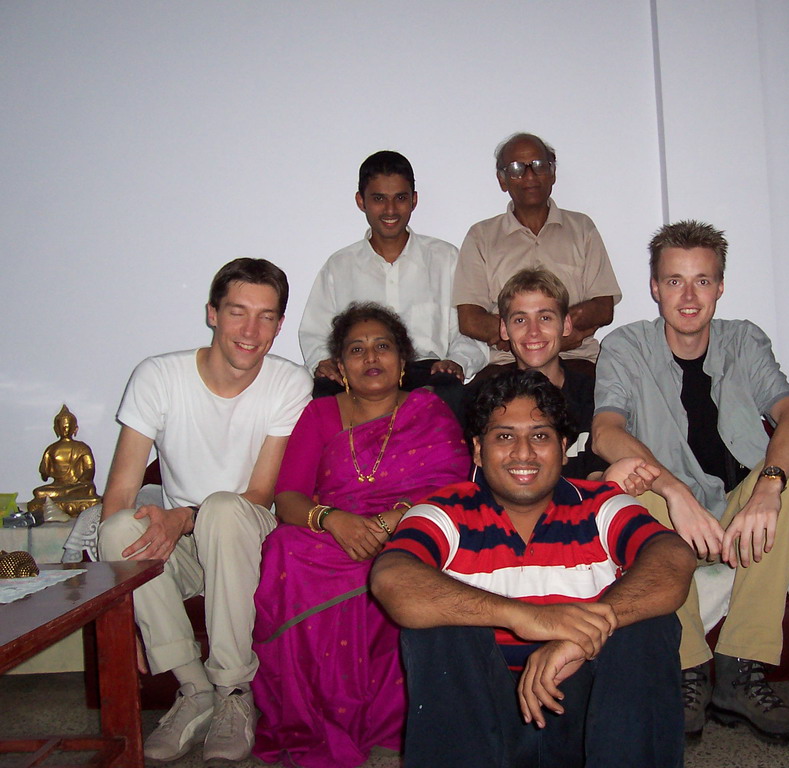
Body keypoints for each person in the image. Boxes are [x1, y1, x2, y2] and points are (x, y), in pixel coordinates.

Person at [370, 369, 696, 768]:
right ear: (477, 450)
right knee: (437, 627)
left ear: (562, 447)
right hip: (481, 726)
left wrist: (579, 638)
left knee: (648, 625)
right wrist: (526, 618)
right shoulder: (445, 511)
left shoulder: (599, 504)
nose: (522, 453)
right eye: (504, 436)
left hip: (595, 723)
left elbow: (673, 557)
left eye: (540, 436)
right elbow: (392, 577)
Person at [592, 220, 789, 746]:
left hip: (740, 510)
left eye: (702, 281)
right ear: (654, 286)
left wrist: (768, 488)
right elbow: (606, 431)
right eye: (674, 281)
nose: (688, 296)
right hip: (675, 516)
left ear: (720, 286)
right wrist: (676, 492)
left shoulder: (744, 339)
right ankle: (688, 670)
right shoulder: (625, 345)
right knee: (633, 486)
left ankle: (741, 670)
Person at [97, 258, 312, 763]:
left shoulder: (289, 383)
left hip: (248, 537)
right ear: (212, 313)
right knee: (115, 529)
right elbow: (120, 494)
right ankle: (194, 690)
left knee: (221, 509)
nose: (250, 331)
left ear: (280, 325)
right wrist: (115, 611)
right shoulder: (157, 375)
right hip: (185, 547)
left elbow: (261, 495)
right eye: (238, 312)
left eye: (265, 317)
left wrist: (185, 516)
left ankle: (235, 692)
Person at [252, 303, 471, 768]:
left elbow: (455, 491)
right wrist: (332, 519)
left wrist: (396, 518)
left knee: (414, 561)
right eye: (357, 349)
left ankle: (393, 717)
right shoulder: (319, 415)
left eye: (383, 346)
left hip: (410, 530)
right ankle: (315, 714)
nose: (371, 357)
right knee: (283, 547)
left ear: (402, 359)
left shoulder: (429, 410)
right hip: (333, 533)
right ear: (341, 365)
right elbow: (288, 496)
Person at [298, 150, 487, 402]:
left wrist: (457, 362)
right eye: (378, 198)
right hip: (361, 372)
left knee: (451, 392)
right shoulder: (340, 266)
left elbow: (467, 330)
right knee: (324, 392)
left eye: (400, 198)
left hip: (427, 371)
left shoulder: (446, 259)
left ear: (414, 200)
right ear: (361, 201)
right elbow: (316, 331)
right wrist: (323, 361)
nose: (390, 209)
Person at [452, 133, 621, 375]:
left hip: (576, 359)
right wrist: (522, 340)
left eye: (539, 166)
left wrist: (556, 338)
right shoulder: (481, 236)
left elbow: (604, 307)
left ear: (552, 174)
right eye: (517, 168)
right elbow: (469, 320)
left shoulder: (582, 228)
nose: (529, 175)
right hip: (507, 363)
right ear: (503, 180)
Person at [464, 267, 607, 479]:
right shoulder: (480, 398)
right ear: (504, 329)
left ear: (566, 324)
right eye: (520, 320)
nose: (533, 331)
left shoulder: (595, 395)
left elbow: (599, 477)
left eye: (545, 318)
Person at [28, 404, 101, 515]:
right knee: (39, 492)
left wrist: (79, 482)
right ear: (56, 429)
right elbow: (44, 474)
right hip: (58, 487)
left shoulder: (82, 448)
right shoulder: (51, 449)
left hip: (77, 486)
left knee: (89, 489)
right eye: (62, 427)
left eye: (67, 427)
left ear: (75, 428)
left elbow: (89, 470)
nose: (65, 429)